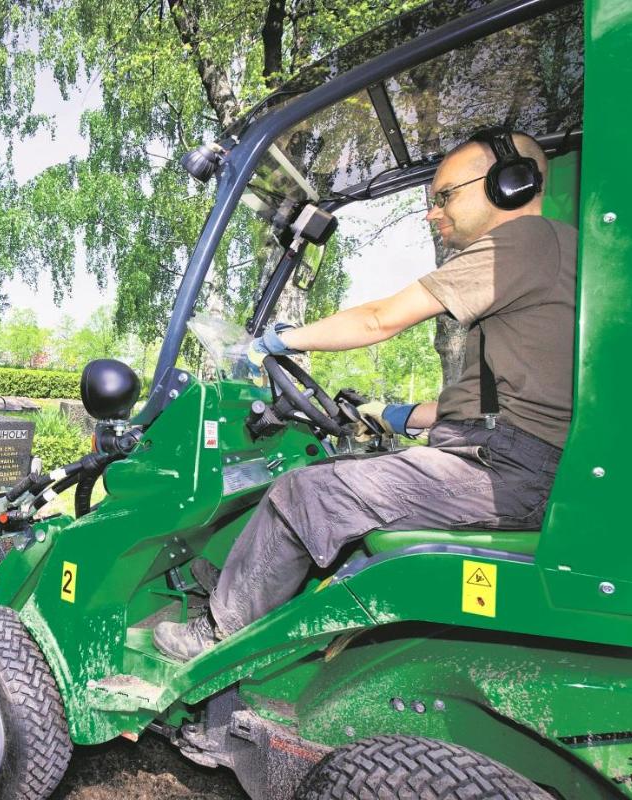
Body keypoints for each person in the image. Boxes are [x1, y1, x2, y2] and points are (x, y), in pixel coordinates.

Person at [154, 129, 577, 660]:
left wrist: (275, 342)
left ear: (509, 184)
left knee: (305, 493)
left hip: (510, 472)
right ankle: (239, 585)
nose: (432, 212)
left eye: (445, 195)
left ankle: (219, 635)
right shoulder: (552, 254)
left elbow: (379, 320)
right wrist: (393, 415)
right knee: (336, 473)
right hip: (514, 460)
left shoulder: (524, 240)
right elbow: (496, 405)